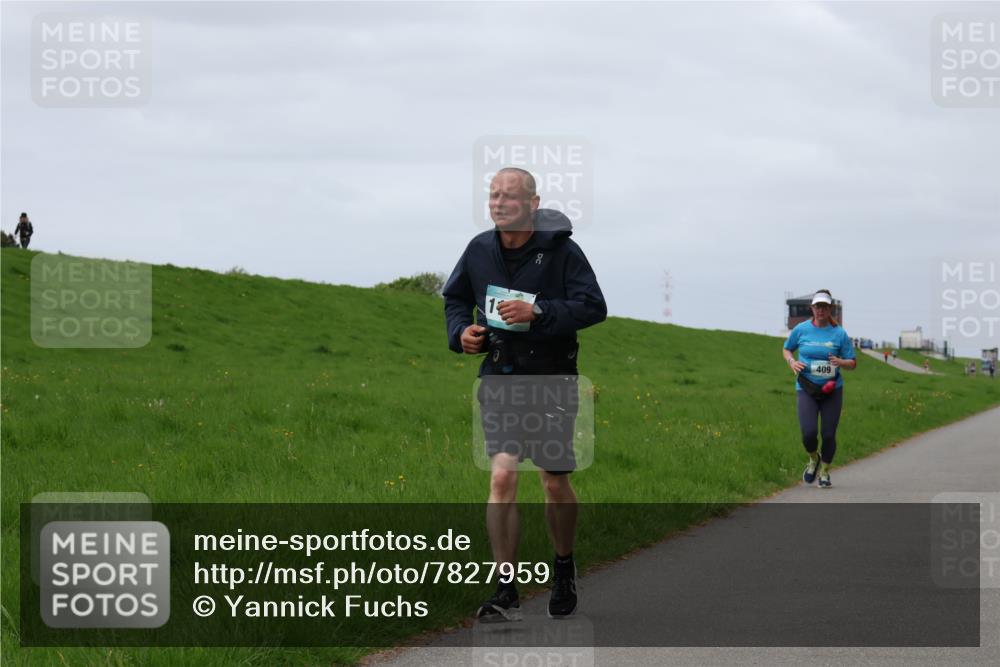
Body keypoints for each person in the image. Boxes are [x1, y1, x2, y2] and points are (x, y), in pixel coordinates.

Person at [443, 167, 607, 621]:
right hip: (499, 377)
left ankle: (564, 567)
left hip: (552, 379)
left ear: (533, 204)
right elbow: (455, 300)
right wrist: (462, 334)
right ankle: (505, 586)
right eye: (493, 195)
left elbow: (594, 306)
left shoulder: (562, 250)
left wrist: (540, 312)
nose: (498, 203)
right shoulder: (478, 249)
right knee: (501, 476)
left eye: (509, 197)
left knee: (553, 480)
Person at [782, 289, 857, 489]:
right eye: (817, 306)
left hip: (832, 389)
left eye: (824, 306)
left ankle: (824, 471)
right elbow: (787, 348)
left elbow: (853, 363)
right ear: (812, 308)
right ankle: (813, 459)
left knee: (829, 434)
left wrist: (841, 361)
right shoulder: (801, 329)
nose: (820, 310)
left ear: (830, 308)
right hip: (806, 387)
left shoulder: (839, 333)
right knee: (808, 433)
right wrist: (791, 362)